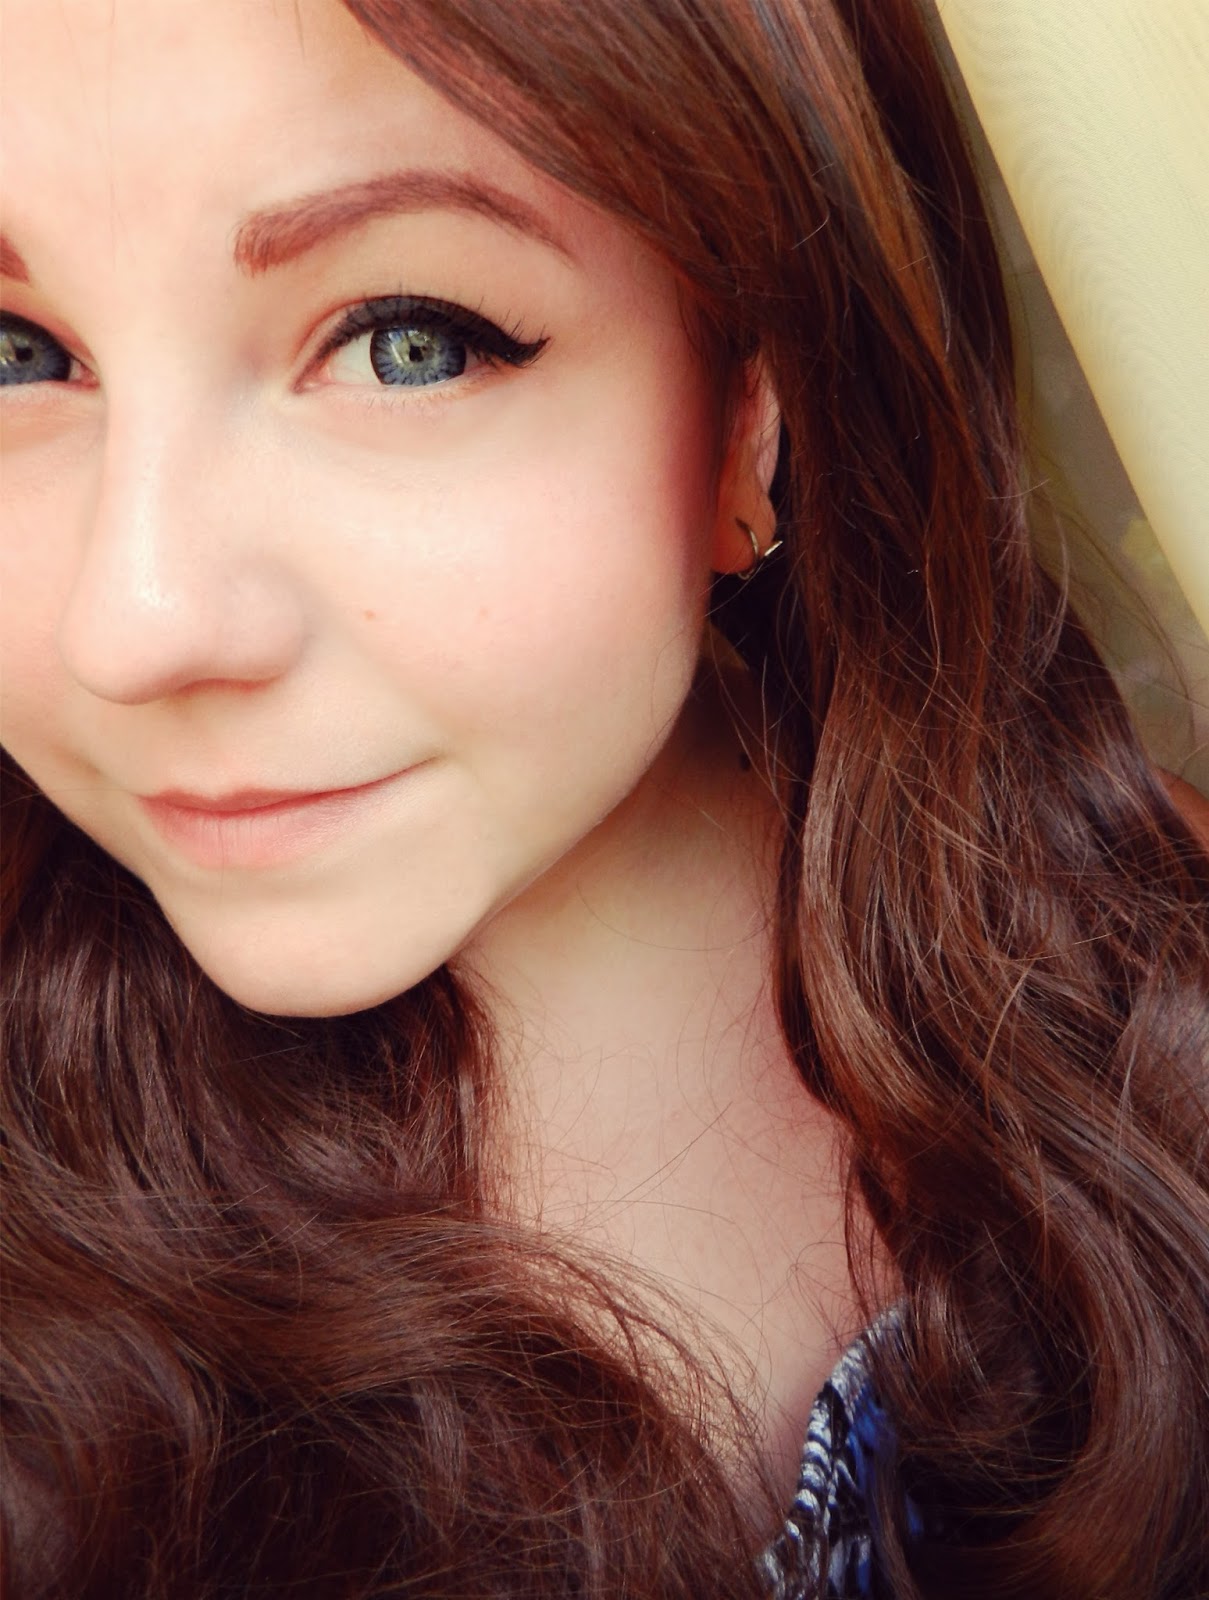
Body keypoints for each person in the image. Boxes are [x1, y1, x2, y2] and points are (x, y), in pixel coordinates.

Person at [2, 0, 1207, 1595]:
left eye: (405, 342)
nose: (133, 624)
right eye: (17, 357)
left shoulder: (1153, 969)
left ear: (755, 402)